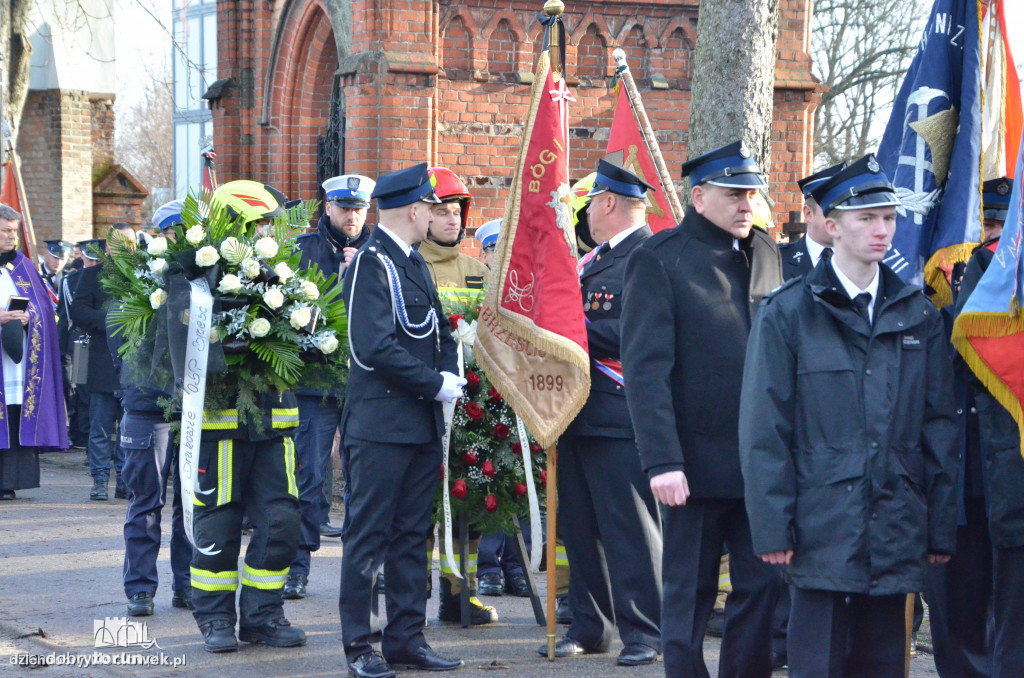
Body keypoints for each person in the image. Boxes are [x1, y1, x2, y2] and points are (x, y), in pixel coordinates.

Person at [738, 154, 958, 677]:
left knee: (883, 662)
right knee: (816, 662)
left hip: (894, 522)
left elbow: (939, 428)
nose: (882, 231)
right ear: (832, 227)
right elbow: (764, 427)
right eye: (867, 219)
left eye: (889, 219)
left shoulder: (917, 314)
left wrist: (940, 528)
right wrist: (772, 527)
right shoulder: (788, 312)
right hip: (820, 524)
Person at [620, 140, 784, 677]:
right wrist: (662, 460)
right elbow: (646, 373)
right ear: (698, 197)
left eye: (751, 193)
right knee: (688, 597)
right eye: (734, 193)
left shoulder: (765, 252)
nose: (747, 204)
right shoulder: (660, 260)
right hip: (693, 465)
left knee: (761, 593)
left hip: (759, 465)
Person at [339, 163, 464, 677]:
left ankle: (407, 638)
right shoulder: (373, 264)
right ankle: (360, 647)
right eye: (432, 207)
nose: (437, 215)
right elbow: (374, 347)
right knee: (369, 536)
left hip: (418, 426)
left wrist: (451, 370)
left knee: (414, 534)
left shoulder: (413, 263)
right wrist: (434, 383)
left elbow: (435, 332)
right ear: (414, 210)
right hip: (381, 424)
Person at [543, 159, 662, 666]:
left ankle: (646, 631)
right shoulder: (594, 261)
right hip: (576, 412)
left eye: (591, 202)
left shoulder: (647, 256)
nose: (587, 212)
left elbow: (642, 335)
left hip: (618, 414)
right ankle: (590, 625)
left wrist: (570, 332)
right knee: (579, 526)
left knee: (629, 529)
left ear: (608, 202)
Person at [939, 175, 1020, 677]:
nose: (991, 234)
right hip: (963, 454)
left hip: (1009, 455)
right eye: (985, 223)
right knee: (963, 595)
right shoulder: (945, 265)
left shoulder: (1004, 264)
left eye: (999, 224)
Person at [284, 173, 376, 601]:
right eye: (345, 207)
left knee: (365, 480)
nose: (353, 216)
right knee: (308, 475)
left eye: (359, 208)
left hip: (363, 384)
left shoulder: (380, 252)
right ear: (328, 208)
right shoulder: (303, 252)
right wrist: (340, 278)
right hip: (314, 384)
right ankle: (297, 565)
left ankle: (362, 571)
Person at [418, 166, 497, 626]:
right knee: (425, 504)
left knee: (467, 504)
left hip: (472, 408)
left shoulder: (476, 271)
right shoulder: (411, 265)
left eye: (457, 212)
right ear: (424, 215)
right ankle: (417, 589)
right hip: (425, 405)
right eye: (443, 212)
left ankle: (459, 593)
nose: (452, 220)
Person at [108, 202, 193, 616]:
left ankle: (187, 585)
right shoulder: (136, 282)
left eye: (186, 232)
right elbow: (118, 342)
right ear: (158, 236)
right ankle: (140, 589)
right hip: (148, 406)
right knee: (146, 500)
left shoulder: (206, 280)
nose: (178, 240)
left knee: (191, 504)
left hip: (193, 407)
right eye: (172, 233)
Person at [0, 204, 69, 499]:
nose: (10, 237)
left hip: (18, 363)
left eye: (13, 231)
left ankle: (8, 482)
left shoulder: (25, 266)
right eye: (4, 231)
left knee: (15, 416)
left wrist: (30, 318)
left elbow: (43, 309)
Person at [71, 230, 131, 501]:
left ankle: (124, 480)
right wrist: (111, 320)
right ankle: (99, 480)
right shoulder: (92, 274)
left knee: (128, 427)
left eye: (128, 242)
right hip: (102, 360)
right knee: (101, 426)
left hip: (132, 362)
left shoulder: (141, 276)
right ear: (108, 247)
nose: (123, 247)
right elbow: (79, 311)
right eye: (118, 243)